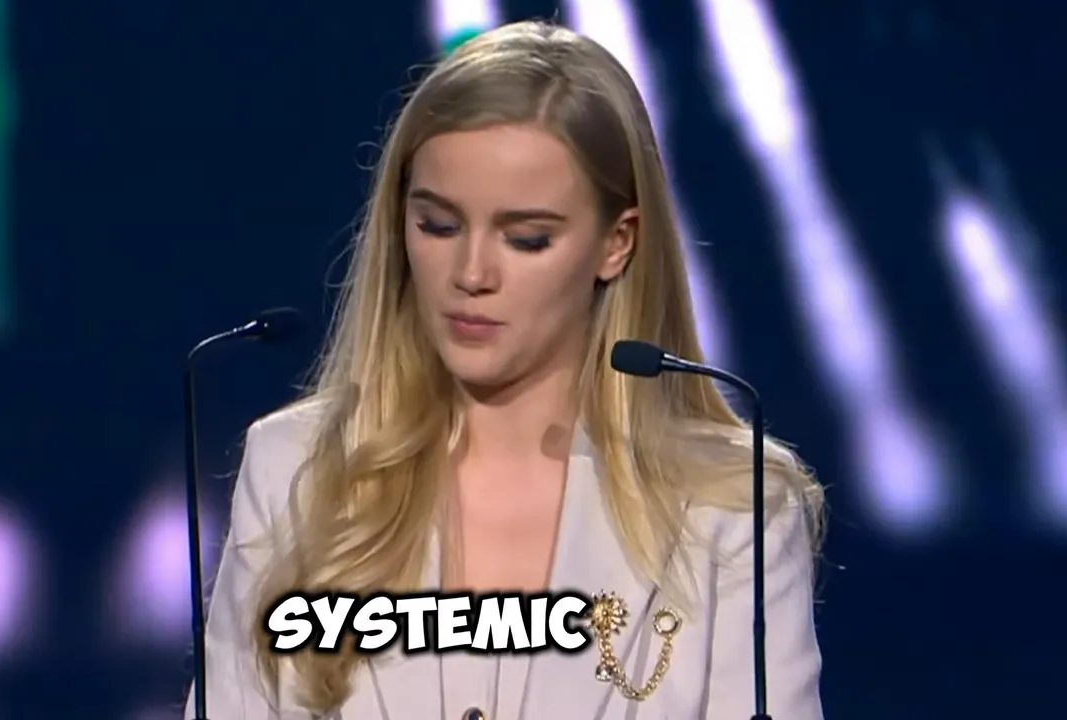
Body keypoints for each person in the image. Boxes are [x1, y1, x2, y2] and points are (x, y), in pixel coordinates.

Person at [186, 19, 824, 720]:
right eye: (437, 226)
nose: (471, 274)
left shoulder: (732, 510)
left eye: (526, 239)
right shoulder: (294, 471)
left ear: (617, 244)